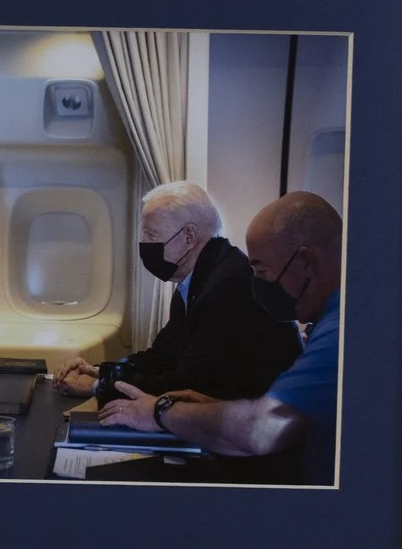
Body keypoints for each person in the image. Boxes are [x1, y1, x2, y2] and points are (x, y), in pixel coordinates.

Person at [101, 190, 343, 484]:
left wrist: (159, 411)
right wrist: (205, 405)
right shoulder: (327, 322)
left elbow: (261, 429)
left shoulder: (339, 331)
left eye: (263, 272)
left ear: (305, 262)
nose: (258, 286)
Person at [51, 181, 301, 402]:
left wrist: (98, 388)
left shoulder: (228, 287)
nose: (145, 244)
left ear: (189, 237)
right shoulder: (197, 280)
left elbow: (186, 384)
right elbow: (162, 356)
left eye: (151, 234)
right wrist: (102, 371)